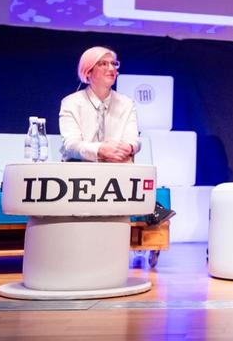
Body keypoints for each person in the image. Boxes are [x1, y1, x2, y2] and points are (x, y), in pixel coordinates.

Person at [59, 46, 175, 224]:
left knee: (128, 160)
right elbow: (71, 145)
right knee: (120, 164)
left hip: (116, 166)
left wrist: (128, 147)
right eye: (103, 64)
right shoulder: (71, 103)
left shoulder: (126, 103)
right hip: (81, 167)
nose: (111, 69)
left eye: (113, 64)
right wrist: (101, 150)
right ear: (88, 72)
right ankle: (150, 207)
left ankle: (146, 208)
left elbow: (134, 140)